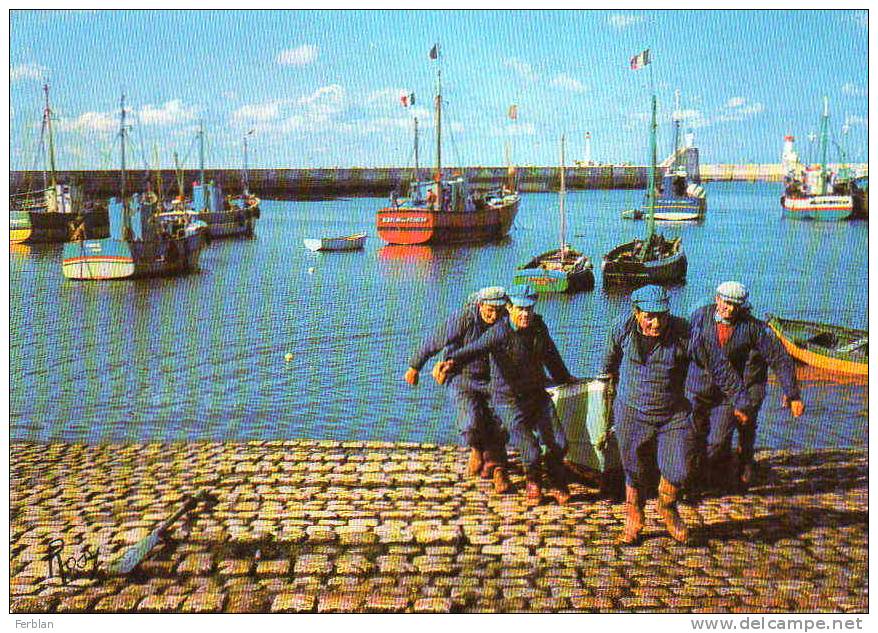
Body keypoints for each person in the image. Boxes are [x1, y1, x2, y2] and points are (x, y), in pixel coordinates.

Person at [601, 285, 752, 545]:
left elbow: (718, 366)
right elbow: (608, 363)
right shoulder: (621, 328)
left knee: (679, 470)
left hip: (672, 415)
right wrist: (606, 388)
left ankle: (667, 507)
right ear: (637, 313)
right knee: (633, 468)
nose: (656, 322)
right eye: (649, 316)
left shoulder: (686, 334)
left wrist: (741, 399)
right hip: (631, 412)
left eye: (661, 315)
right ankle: (634, 515)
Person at [439, 284, 575, 505]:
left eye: (529, 309)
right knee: (530, 451)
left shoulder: (539, 326)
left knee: (560, 443)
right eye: (520, 309)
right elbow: (475, 349)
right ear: (510, 308)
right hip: (508, 401)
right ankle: (533, 483)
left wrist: (565, 378)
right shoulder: (499, 332)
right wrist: (451, 362)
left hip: (537, 396)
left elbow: (551, 355)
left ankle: (555, 477)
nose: (525, 314)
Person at [687, 281, 804, 492]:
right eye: (726, 303)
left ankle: (719, 473)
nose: (730, 309)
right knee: (692, 438)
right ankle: (695, 480)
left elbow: (779, 358)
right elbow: (682, 348)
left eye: (735, 305)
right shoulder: (699, 317)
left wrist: (792, 393)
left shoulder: (753, 328)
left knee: (718, 441)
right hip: (695, 389)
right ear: (717, 299)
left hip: (727, 394)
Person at [404, 287, 512, 493]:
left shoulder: (508, 321)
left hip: (495, 379)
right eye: (489, 310)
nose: (494, 315)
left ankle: (497, 464)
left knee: (501, 421)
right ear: (480, 306)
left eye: (499, 311)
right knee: (470, 421)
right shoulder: (464, 319)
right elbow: (435, 340)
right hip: (463, 376)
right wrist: (415, 366)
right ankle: (476, 448)